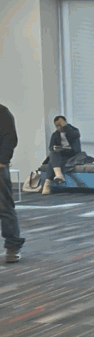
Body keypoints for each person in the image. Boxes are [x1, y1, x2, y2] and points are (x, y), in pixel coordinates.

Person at [0, 103, 23, 264]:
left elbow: (10, 137)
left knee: (4, 206)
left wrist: (2, 161)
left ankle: (12, 245)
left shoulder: (2, 112)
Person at [42, 116, 81, 194]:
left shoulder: (73, 130)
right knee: (53, 153)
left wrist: (65, 126)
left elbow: (75, 135)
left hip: (73, 153)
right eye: (57, 125)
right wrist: (54, 148)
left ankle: (48, 183)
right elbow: (50, 147)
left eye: (60, 124)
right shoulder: (55, 134)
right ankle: (58, 175)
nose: (59, 127)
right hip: (61, 153)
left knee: (51, 160)